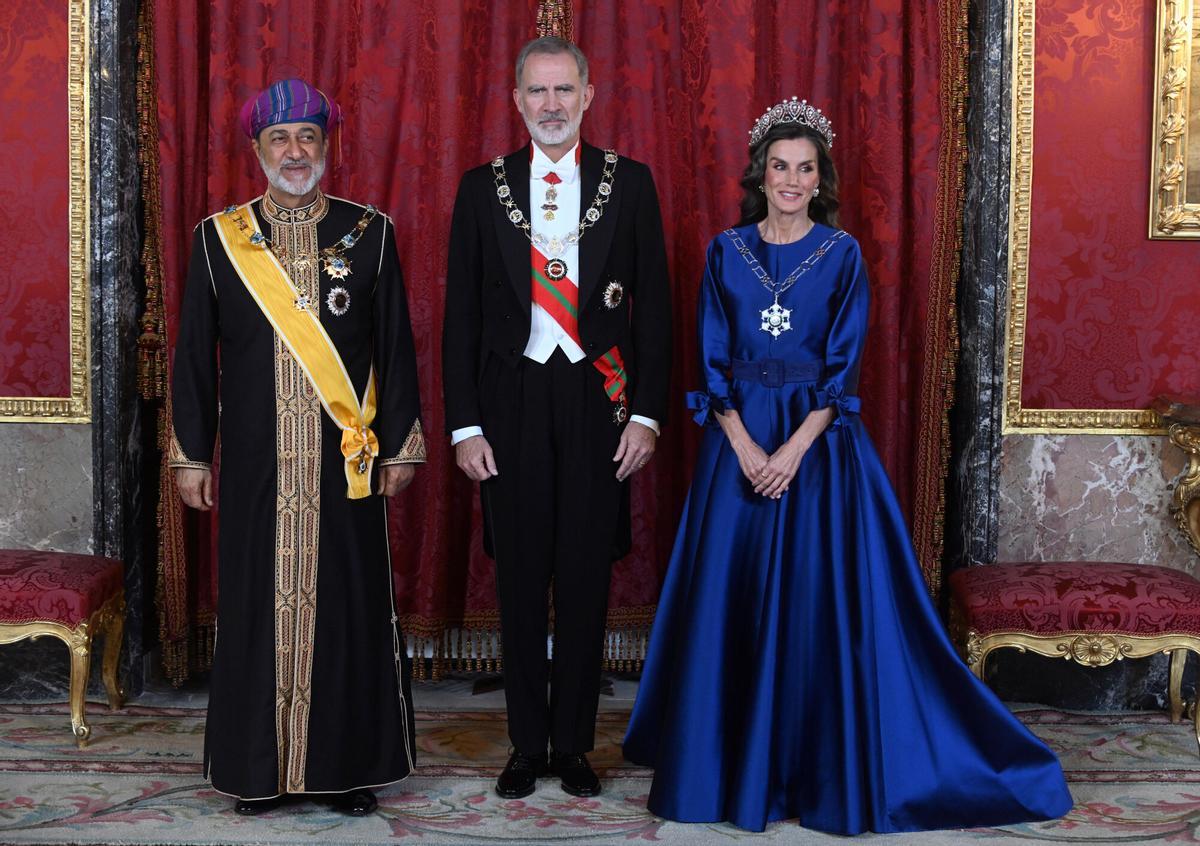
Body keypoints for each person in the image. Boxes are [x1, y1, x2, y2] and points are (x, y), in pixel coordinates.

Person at [622, 97, 1073, 834]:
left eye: (805, 169)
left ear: (819, 177)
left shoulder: (842, 254)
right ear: (760, 174)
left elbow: (841, 371)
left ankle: (812, 763)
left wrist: (792, 451)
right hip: (736, 447)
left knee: (810, 605)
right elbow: (708, 358)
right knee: (732, 602)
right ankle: (727, 762)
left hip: (817, 453)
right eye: (780, 167)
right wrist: (742, 446)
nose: (791, 180)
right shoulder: (723, 250)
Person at [170, 78, 425, 817]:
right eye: (278, 139)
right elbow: (192, 358)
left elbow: (396, 350)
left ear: (326, 146)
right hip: (255, 464)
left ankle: (346, 771)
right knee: (256, 610)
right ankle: (260, 770)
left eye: (306, 137)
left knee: (347, 611)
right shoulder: (220, 240)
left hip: (345, 461)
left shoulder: (369, 232)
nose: (293, 151)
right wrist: (192, 454)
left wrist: (402, 444)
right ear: (256, 150)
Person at [442, 36, 672, 800]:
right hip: (510, 401)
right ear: (516, 101)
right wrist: (465, 426)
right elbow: (461, 318)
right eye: (536, 92)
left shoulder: (629, 184)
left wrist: (644, 416)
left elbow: (656, 315)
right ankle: (523, 744)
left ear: (588, 94)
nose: (550, 105)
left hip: (596, 398)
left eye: (563, 91)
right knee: (517, 579)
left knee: (582, 577)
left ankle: (572, 745)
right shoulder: (483, 188)